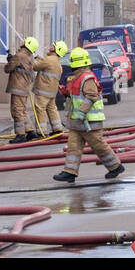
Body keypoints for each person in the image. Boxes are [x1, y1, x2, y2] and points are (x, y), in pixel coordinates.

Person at [53, 47, 124, 183]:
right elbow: (75, 96)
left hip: (89, 122)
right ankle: (70, 172)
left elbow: (92, 96)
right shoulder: (77, 78)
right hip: (77, 123)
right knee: (73, 147)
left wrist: (80, 112)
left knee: (98, 146)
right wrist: (64, 91)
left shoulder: (87, 78)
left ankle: (115, 166)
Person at [30, 40, 67, 138]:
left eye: (53, 46)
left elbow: (35, 66)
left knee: (40, 109)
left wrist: (32, 59)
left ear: (57, 50)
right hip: (52, 92)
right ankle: (57, 129)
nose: (51, 47)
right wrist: (38, 58)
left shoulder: (49, 59)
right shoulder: (57, 62)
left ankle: (41, 132)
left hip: (43, 90)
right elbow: (44, 64)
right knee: (52, 109)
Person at [5, 37, 38, 143]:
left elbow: (8, 69)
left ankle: (20, 135)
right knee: (22, 110)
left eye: (24, 40)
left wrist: (10, 60)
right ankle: (30, 131)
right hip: (24, 88)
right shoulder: (28, 57)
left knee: (17, 111)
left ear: (27, 44)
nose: (22, 41)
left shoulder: (19, 56)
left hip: (17, 88)